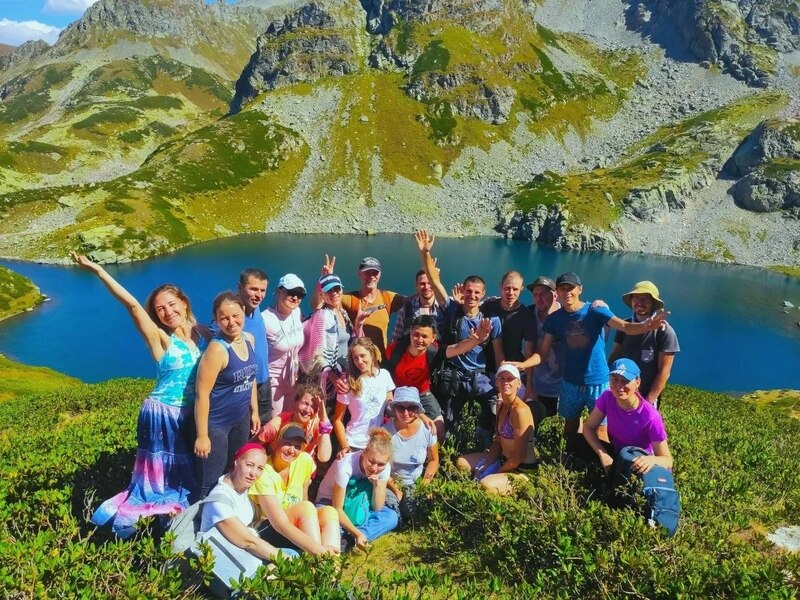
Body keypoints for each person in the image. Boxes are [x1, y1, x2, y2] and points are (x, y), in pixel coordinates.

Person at [72, 253, 211, 538]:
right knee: (160, 476)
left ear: (184, 302)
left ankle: (174, 521)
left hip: (189, 415)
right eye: (160, 309)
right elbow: (133, 305)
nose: (167, 312)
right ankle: (156, 525)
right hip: (161, 413)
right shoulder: (161, 338)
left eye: (171, 304)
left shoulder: (203, 333)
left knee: (183, 470)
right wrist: (99, 270)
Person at [509, 272, 669, 441]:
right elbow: (542, 353)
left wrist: (646, 326)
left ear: (580, 289)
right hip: (570, 382)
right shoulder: (554, 319)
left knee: (601, 430)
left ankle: (602, 457)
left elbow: (625, 327)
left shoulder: (596, 311)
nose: (567, 292)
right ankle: (571, 455)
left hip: (598, 382)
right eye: (563, 289)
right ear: (558, 292)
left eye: (570, 288)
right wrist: (524, 364)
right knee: (570, 427)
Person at [415, 230, 502, 441]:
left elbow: (498, 354)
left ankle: (485, 442)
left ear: (483, 294)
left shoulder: (491, 321)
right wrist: (425, 254)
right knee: (447, 426)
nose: (472, 296)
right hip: (454, 377)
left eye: (476, 292)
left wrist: (500, 384)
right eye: (468, 291)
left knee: (495, 412)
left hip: (480, 377)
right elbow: (435, 282)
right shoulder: (452, 310)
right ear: (462, 291)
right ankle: (447, 451)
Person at [384, 314, 493, 443]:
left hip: (422, 393)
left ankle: (433, 454)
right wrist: (390, 400)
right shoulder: (395, 350)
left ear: (433, 338)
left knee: (439, 430)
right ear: (410, 333)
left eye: (424, 336)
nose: (419, 339)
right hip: (398, 393)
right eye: (416, 334)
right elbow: (384, 376)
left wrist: (476, 341)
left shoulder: (434, 351)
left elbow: (457, 348)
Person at [195, 292, 260, 498]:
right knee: (211, 479)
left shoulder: (249, 339)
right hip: (217, 425)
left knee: (235, 472)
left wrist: (255, 411)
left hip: (241, 419)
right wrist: (202, 436)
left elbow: (250, 379)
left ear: (243, 312)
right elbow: (202, 394)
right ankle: (203, 514)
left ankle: (231, 510)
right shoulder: (217, 350)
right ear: (216, 320)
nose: (231, 323)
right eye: (224, 318)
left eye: (236, 316)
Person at [198, 443, 297, 580]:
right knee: (291, 558)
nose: (253, 473)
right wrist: (285, 559)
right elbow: (248, 542)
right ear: (236, 462)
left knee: (292, 553)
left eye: (260, 468)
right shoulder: (219, 501)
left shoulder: (241, 486)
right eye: (249, 465)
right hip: (223, 568)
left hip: (239, 556)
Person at [249, 424, 340, 556]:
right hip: (268, 528)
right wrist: (316, 548)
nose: (291, 450)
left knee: (329, 511)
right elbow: (279, 523)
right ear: (274, 443)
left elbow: (304, 495)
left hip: (293, 527)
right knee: (305, 508)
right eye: (287, 443)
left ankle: (333, 564)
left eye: (297, 446)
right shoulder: (263, 471)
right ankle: (317, 560)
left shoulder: (304, 460)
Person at [582, 359, 673, 475]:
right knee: (576, 442)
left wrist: (651, 460)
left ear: (637, 382)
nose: (619, 386)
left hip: (641, 463)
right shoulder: (608, 397)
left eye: (625, 381)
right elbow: (588, 427)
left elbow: (668, 460)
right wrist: (603, 455)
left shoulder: (650, 417)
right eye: (615, 379)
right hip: (618, 454)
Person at [456, 365, 537, 494]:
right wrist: (487, 465)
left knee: (486, 485)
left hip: (520, 469)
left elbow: (519, 456)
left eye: (510, 379)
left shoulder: (520, 411)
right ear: (496, 382)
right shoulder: (501, 405)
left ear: (518, 383)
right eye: (502, 378)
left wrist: (495, 473)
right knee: (462, 463)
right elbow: (498, 441)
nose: (506, 382)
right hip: (502, 460)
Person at [316, 428, 399, 549]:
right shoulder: (345, 466)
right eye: (371, 461)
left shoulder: (385, 468)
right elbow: (337, 508)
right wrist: (358, 533)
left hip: (360, 504)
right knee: (329, 520)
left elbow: (377, 507)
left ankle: (347, 539)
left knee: (391, 517)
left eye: (381, 464)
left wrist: (376, 485)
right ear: (364, 452)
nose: (374, 468)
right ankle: (354, 535)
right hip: (329, 504)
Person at [608, 281, 680, 407]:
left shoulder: (665, 332)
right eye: (636, 298)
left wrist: (648, 402)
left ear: (653, 303)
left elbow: (664, 373)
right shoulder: (625, 326)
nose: (640, 302)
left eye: (646, 299)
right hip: (621, 391)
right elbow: (614, 356)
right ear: (631, 301)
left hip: (646, 395)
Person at [385, 387, 439, 524]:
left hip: (415, 482)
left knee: (414, 510)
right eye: (400, 408)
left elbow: (433, 460)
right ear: (394, 408)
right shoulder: (386, 431)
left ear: (417, 409)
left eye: (411, 408)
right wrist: (396, 490)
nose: (406, 413)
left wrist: (425, 484)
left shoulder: (427, 430)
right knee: (392, 506)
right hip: (390, 482)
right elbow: (381, 466)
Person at [333, 338, 395, 455]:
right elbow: (337, 420)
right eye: (355, 358)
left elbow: (390, 405)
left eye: (362, 356)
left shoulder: (384, 376)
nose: (360, 361)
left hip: (376, 444)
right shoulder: (348, 382)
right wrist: (345, 446)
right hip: (353, 443)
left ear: (372, 354)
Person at [340, 256, 406, 358]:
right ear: (360, 274)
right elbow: (319, 303)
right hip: (358, 362)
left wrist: (429, 276)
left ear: (380, 274)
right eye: (367, 272)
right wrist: (324, 280)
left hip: (382, 362)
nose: (371, 276)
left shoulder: (388, 298)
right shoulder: (350, 299)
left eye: (375, 273)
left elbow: (416, 300)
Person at [257, 383, 332, 464]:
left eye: (314, 407)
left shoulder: (317, 424)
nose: (307, 410)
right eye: (305, 403)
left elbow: (324, 457)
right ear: (296, 401)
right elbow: (253, 446)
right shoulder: (277, 424)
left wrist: (324, 419)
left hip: (301, 466)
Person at [263, 274, 306, 414]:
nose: (296, 298)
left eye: (300, 294)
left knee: (290, 420)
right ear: (279, 292)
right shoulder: (265, 319)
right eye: (291, 292)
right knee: (275, 423)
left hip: (293, 379)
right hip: (274, 382)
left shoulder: (297, 313)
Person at [480, 270, 537, 374]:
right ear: (500, 286)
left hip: (512, 369)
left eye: (515, 289)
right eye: (507, 288)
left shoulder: (527, 316)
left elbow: (529, 351)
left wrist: (529, 381)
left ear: (521, 289)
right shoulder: (488, 306)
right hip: (484, 368)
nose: (510, 293)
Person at [236, 269, 273, 425]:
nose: (259, 295)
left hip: (263, 382)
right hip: (243, 387)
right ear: (240, 287)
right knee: (246, 430)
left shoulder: (255, 309)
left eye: (262, 290)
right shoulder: (232, 317)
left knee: (264, 429)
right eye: (253, 289)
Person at [525, 276, 564, 418]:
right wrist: (529, 385)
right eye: (535, 294)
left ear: (555, 295)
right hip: (536, 384)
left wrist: (599, 304)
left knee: (559, 424)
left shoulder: (566, 315)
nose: (538, 298)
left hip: (562, 387)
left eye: (543, 294)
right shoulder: (529, 313)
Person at [391, 269, 446, 342]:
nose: (426, 287)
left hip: (440, 348)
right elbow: (396, 338)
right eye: (422, 284)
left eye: (430, 283)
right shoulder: (407, 308)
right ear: (416, 286)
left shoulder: (445, 307)